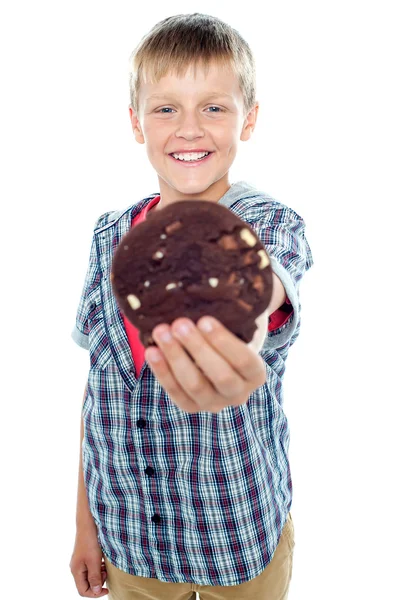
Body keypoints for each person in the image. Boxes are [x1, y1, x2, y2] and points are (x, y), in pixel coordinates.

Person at [69, 12, 314, 600]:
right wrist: (86, 524)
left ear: (247, 119)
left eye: (214, 107)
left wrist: (240, 325)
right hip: (131, 538)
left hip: (238, 536)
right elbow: (99, 386)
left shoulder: (268, 224)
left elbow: (265, 287)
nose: (189, 129)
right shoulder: (110, 236)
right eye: (165, 108)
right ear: (136, 123)